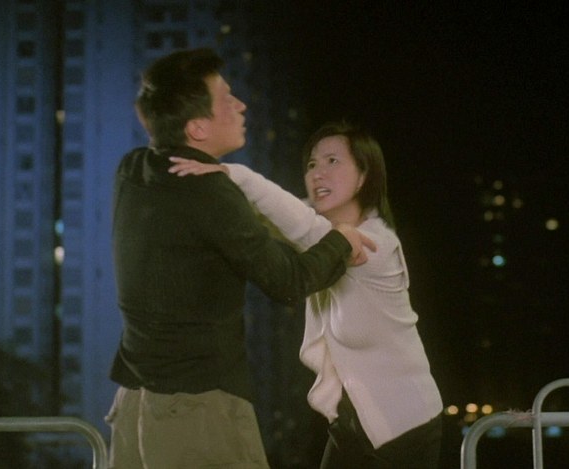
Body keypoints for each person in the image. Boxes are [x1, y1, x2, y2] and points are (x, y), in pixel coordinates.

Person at [106, 49, 375, 469]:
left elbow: (226, 231)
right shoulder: (210, 194)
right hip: (197, 413)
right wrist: (341, 240)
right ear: (197, 128)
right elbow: (289, 280)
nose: (241, 105)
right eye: (227, 99)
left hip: (135, 405)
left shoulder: (134, 168)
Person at [169, 121, 443, 468]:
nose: (317, 173)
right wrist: (208, 182)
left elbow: (304, 227)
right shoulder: (330, 234)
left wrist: (236, 173)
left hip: (405, 423)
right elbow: (273, 217)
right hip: (353, 421)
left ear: (363, 176)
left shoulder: (376, 245)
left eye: (332, 161)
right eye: (312, 164)